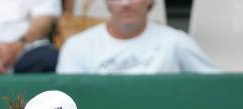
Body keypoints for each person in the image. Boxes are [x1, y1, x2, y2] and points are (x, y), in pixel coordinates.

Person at [56, 0, 218, 74]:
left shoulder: (176, 42)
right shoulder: (77, 46)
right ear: (108, 3)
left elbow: (217, 86)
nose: (126, 3)